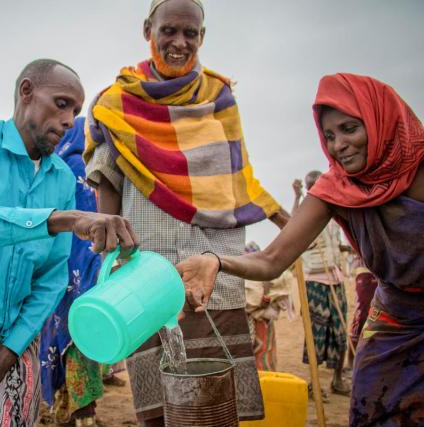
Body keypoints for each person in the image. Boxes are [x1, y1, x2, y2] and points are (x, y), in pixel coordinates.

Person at [175, 73, 424, 426]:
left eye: (350, 129)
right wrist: (215, 260)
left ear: (379, 119)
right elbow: (270, 259)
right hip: (395, 320)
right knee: (374, 409)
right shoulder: (336, 189)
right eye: (329, 136)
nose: (339, 145)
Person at [83, 0, 289, 423]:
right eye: (169, 31)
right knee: (160, 400)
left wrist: (283, 217)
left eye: (190, 33)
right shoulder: (117, 101)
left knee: (217, 402)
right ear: (148, 30)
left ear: (202, 37)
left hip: (213, 264)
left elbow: (236, 175)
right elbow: (106, 177)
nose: (179, 43)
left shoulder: (219, 96)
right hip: (147, 264)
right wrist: (112, 253)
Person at [0, 59, 139, 427]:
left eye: (75, 111)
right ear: (26, 92)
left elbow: (52, 278)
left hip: (15, 347)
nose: (70, 120)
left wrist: (7, 353)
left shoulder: (62, 182)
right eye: (62, 103)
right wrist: (58, 220)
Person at [40, 117, 104, 427]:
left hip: (55, 269)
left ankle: (62, 405)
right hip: (85, 266)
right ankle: (84, 414)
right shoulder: (86, 167)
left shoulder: (51, 167)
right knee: (83, 336)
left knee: (56, 335)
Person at [293, 172, 350, 397]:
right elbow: (291, 225)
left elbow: (338, 245)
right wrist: (296, 197)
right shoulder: (306, 214)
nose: (314, 189)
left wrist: (348, 249)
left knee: (340, 332)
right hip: (315, 282)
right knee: (316, 333)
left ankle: (337, 380)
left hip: (336, 280)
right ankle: (314, 384)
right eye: (310, 187)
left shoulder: (334, 213)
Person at [244, 243, 294, 372]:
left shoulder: (266, 277)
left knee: (263, 355)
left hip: (261, 322)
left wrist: (263, 299)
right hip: (250, 322)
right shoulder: (245, 280)